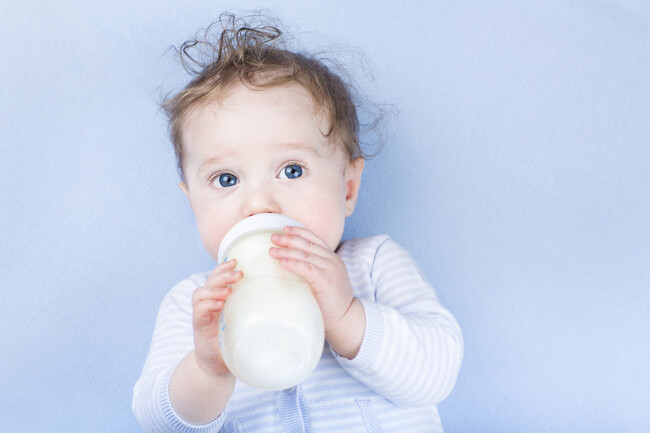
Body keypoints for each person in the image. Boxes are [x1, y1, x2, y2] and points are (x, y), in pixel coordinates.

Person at [133, 13, 463, 433]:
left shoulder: (373, 266)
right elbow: (156, 421)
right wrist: (207, 369)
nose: (259, 203)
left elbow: (437, 374)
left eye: (291, 170)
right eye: (227, 179)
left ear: (347, 188)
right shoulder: (196, 303)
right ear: (193, 203)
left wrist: (347, 316)